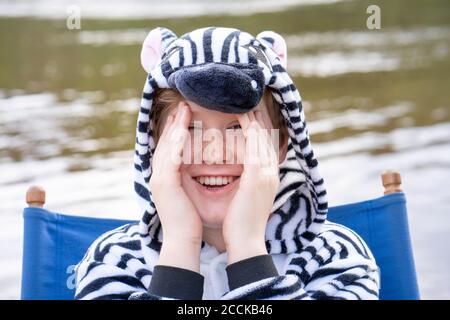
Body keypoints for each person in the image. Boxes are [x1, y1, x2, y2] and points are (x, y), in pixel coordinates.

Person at [74, 26, 379, 300]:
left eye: (237, 129)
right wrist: (180, 244)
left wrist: (248, 249)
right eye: (190, 128)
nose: (213, 153)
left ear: (281, 146)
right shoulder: (113, 260)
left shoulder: (335, 256)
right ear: (154, 148)